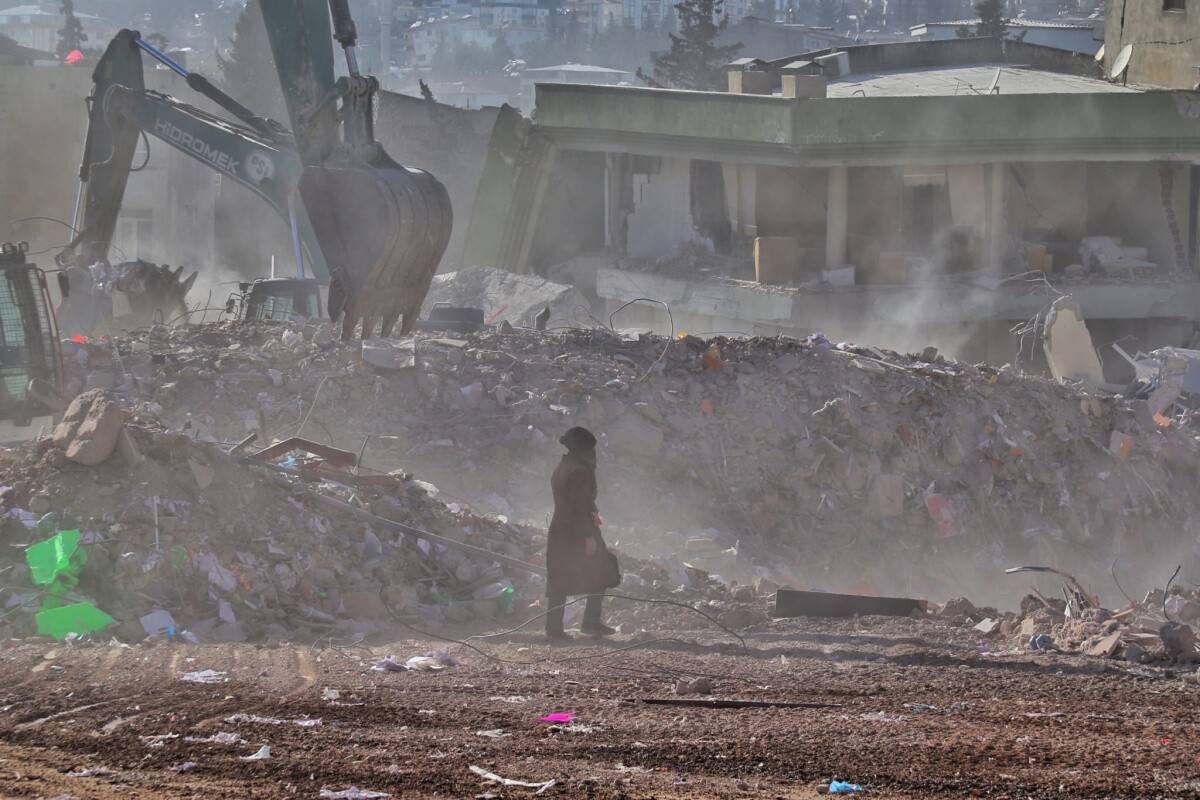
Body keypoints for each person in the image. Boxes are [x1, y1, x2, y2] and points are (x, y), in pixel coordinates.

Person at [545, 426, 620, 641]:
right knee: (602, 568)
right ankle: (590, 622)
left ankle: (553, 628)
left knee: (559, 577)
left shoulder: (564, 466)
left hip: (560, 529)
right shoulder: (581, 472)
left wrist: (593, 513)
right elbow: (579, 506)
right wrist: (588, 536)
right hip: (577, 532)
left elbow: (580, 503)